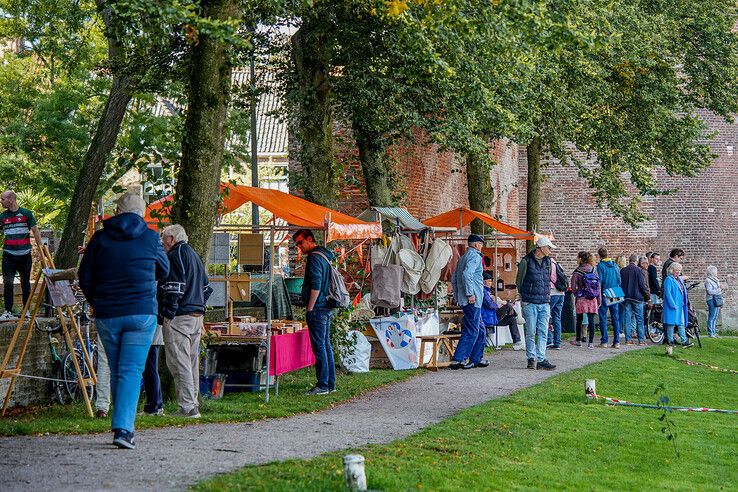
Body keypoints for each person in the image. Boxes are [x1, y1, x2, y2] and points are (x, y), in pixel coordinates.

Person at [78, 193, 169, 450]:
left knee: (119, 369)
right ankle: (124, 430)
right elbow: (165, 269)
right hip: (141, 312)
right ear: (142, 214)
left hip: (108, 313)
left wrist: (97, 299)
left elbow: (85, 276)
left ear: (117, 211)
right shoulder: (151, 237)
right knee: (130, 371)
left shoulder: (100, 238)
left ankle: (120, 425)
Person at [160, 224, 212, 418]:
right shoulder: (194, 255)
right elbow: (207, 288)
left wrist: (168, 312)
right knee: (190, 363)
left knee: (179, 363)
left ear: (172, 239)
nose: (162, 242)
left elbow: (175, 288)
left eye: (164, 238)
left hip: (180, 317)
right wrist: (199, 306)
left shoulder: (175, 255)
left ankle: (188, 407)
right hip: (196, 317)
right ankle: (192, 404)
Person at [294, 229, 338, 393]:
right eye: (297, 244)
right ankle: (330, 383)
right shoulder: (325, 255)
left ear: (310, 239)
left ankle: (323, 385)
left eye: (300, 242)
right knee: (326, 345)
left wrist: (310, 307)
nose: (299, 247)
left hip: (318, 308)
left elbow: (316, 284)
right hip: (326, 306)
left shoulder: (314, 257)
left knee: (320, 347)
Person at [0, 190, 43, 321]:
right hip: (8, 255)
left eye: (3, 199)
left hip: (24, 255)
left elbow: (35, 231)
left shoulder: (26, 214)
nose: (1, 201)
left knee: (25, 284)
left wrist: (41, 251)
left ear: (11, 200)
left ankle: (26, 311)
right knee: (8, 283)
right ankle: (7, 311)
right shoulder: (2, 217)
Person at [516, 237, 556, 370]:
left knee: (544, 331)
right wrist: (526, 296)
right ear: (541, 248)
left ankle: (541, 358)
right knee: (531, 331)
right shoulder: (525, 261)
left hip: (544, 301)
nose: (550, 250)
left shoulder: (548, 262)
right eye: (548, 247)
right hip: (530, 302)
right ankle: (531, 358)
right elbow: (519, 282)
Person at [450, 234, 489, 369]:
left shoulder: (463, 258)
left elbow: (454, 278)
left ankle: (476, 358)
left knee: (480, 329)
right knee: (472, 329)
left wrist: (457, 295)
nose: (481, 247)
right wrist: (469, 293)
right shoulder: (475, 256)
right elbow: (467, 274)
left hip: (466, 298)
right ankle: (459, 359)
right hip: (472, 299)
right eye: (481, 244)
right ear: (477, 244)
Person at [482, 272, 523, 350]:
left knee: (512, 319)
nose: (490, 283)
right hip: (488, 317)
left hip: (492, 316)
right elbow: (490, 305)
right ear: (484, 281)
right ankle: (517, 316)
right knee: (507, 306)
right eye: (489, 281)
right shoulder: (484, 291)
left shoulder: (486, 291)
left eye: (491, 281)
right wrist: (496, 305)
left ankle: (517, 341)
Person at [570, 252, 600, 349]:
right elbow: (598, 286)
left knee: (579, 320)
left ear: (581, 259)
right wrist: (599, 300)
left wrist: (577, 293)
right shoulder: (594, 270)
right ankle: (590, 343)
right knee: (591, 320)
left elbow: (573, 286)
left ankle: (579, 340)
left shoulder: (577, 271)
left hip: (581, 297)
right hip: (592, 298)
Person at [662, 261, 693, 353]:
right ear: (672, 270)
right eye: (676, 270)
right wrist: (672, 304)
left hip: (680, 305)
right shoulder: (668, 279)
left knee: (681, 324)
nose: (678, 272)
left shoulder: (679, 279)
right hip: (672, 305)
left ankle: (684, 341)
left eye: (679, 270)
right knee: (671, 324)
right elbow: (668, 293)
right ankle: (670, 341)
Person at [596, 247, 622, 348]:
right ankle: (617, 342)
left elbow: (600, 282)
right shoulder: (615, 266)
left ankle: (604, 341)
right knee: (615, 317)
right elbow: (619, 280)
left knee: (603, 317)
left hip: (605, 292)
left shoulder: (601, 266)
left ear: (600, 255)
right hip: (615, 292)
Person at [620, 254, 649, 345]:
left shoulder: (623, 271)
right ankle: (641, 340)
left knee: (627, 319)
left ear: (629, 260)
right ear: (636, 261)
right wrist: (647, 296)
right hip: (637, 297)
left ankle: (628, 339)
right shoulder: (639, 271)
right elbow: (642, 285)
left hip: (626, 297)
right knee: (639, 319)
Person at [140, 324, 164, 416]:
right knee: (151, 369)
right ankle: (156, 404)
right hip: (153, 333)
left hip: (151, 334)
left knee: (150, 369)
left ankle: (154, 406)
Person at [547, 255, 567, 350]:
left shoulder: (547, 264)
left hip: (551, 292)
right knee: (557, 318)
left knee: (545, 316)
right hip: (561, 293)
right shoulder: (558, 264)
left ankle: (549, 340)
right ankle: (557, 342)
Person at [704, 266, 722, 338]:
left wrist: (719, 290)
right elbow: (709, 291)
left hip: (717, 299)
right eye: (716, 271)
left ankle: (714, 332)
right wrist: (718, 291)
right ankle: (710, 333)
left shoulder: (716, 280)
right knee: (712, 317)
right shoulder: (708, 280)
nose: (717, 272)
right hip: (711, 300)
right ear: (712, 272)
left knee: (715, 317)